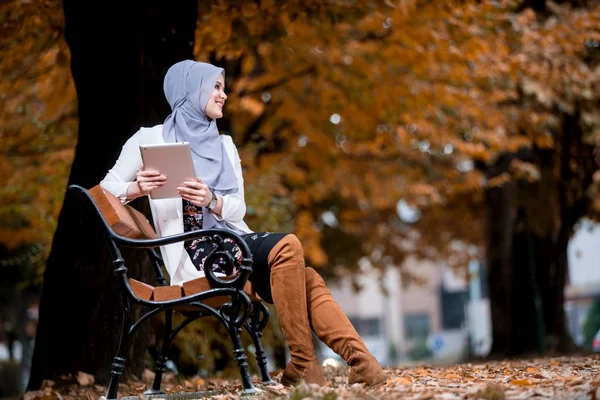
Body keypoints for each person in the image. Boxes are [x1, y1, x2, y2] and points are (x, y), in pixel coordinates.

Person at [100, 60, 387, 387]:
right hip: (197, 254)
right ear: (191, 91)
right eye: (216, 87)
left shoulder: (224, 145)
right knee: (289, 244)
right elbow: (106, 188)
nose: (224, 95)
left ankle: (357, 363)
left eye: (224, 88)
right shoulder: (150, 139)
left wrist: (211, 199)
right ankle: (311, 364)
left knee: (303, 274)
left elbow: (237, 209)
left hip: (233, 241)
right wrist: (137, 188)